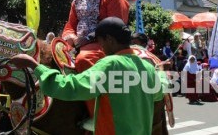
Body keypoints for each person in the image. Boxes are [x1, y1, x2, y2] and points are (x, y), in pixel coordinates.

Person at [11, 17, 162, 134]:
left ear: (109, 39)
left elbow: (71, 87)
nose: (100, 47)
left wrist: (35, 66)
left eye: (100, 42)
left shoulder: (111, 65)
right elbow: (158, 93)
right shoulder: (148, 68)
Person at [61, 0, 129, 117]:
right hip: (77, 44)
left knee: (83, 60)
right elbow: (70, 24)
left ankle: (97, 115)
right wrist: (69, 35)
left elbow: (116, 25)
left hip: (104, 44)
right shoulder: (77, 0)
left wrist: (88, 38)